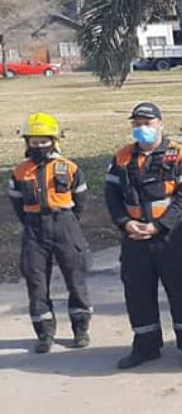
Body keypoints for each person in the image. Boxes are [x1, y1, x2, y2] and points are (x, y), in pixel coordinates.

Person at [105, 102, 182, 369]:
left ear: (160, 124)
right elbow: (112, 196)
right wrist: (125, 223)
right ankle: (146, 346)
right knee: (137, 293)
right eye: (137, 124)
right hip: (134, 238)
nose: (142, 128)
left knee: (180, 290)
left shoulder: (181, 155)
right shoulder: (121, 157)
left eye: (147, 123)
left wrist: (159, 226)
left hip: (170, 237)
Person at [8, 112, 91, 352]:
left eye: (44, 141)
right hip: (34, 229)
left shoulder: (70, 168)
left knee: (76, 279)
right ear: (27, 144)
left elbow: (81, 200)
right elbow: (16, 204)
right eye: (34, 142)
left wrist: (69, 222)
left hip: (65, 225)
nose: (39, 146)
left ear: (54, 141)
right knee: (36, 284)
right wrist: (32, 222)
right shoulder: (20, 172)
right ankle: (44, 334)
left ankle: (81, 329)